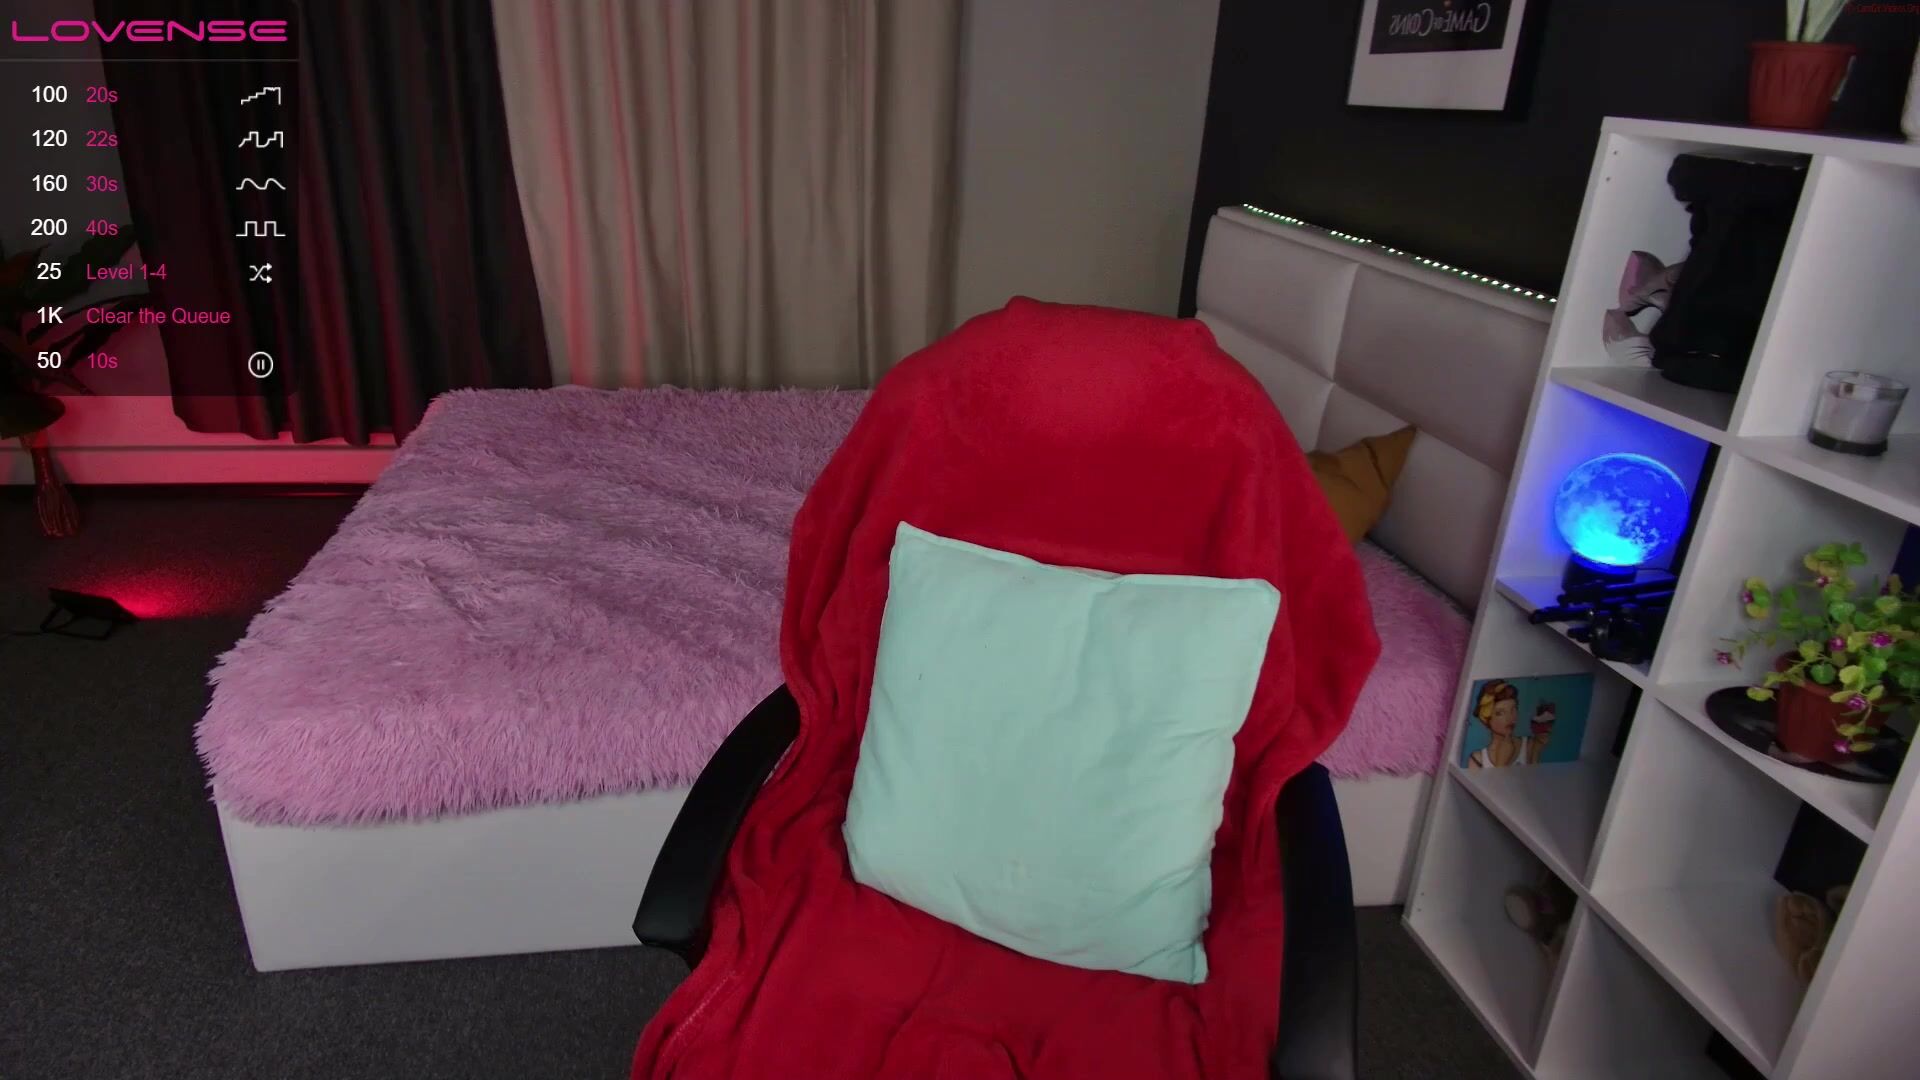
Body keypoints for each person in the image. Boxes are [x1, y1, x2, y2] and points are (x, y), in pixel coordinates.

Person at [1466, 681, 1553, 768]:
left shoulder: (1529, 745)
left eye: (1513, 709)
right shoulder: (1477, 759)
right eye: (1500, 713)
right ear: (1486, 719)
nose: (1510, 718)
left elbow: (1535, 776)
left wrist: (1536, 750)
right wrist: (1501, 763)